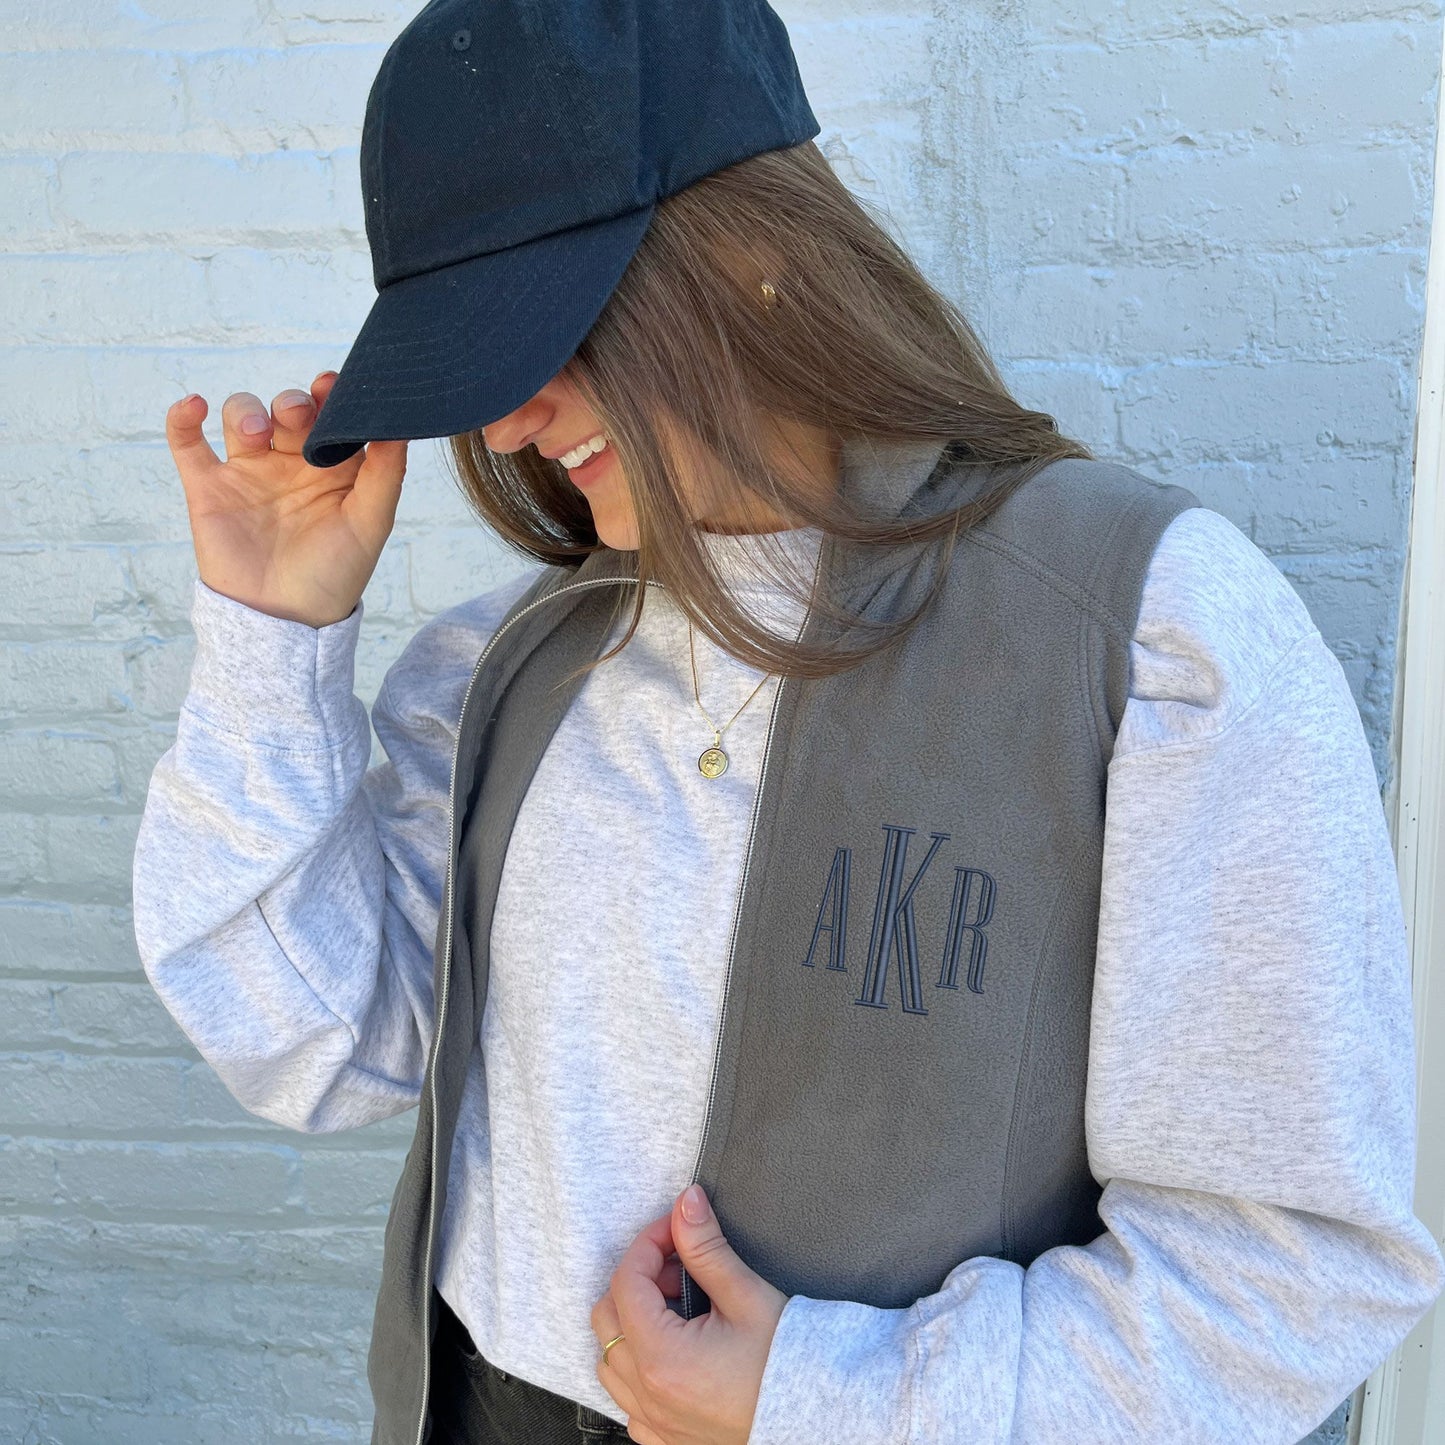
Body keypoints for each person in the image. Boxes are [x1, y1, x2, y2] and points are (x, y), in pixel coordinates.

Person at [131, 2, 1444, 1443]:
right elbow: (320, 1047)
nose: (502, 420)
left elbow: (1292, 1264)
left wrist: (823, 1400)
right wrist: (273, 638)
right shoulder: (515, 659)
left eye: (542, 324)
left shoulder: (1145, 634)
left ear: (750, 259)